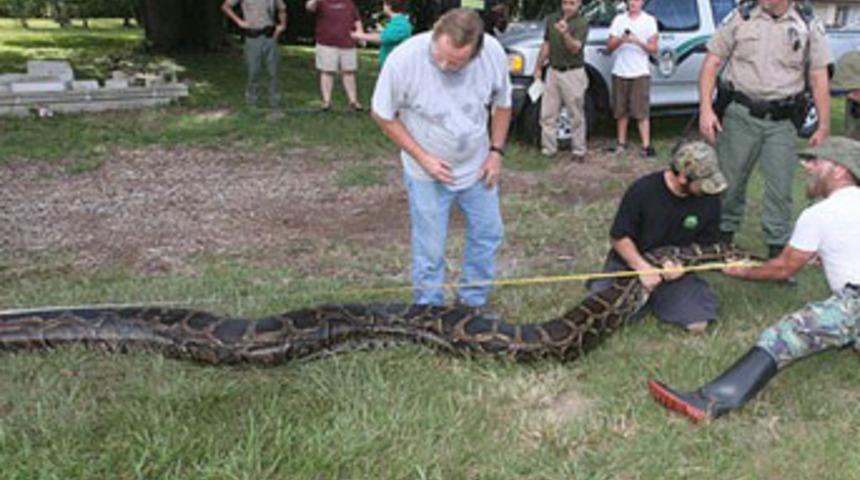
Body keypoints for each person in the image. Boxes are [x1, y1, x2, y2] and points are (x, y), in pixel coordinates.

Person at [649, 136, 860, 423]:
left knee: (786, 334)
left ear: (840, 170)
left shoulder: (820, 214)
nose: (806, 166)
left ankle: (710, 401)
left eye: (816, 161)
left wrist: (742, 271)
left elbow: (782, 269)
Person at [371, 8, 512, 309]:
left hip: (477, 167)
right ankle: (428, 311)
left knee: (488, 233)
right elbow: (383, 114)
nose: (445, 65)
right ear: (436, 36)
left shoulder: (493, 55)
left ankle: (472, 303)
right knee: (430, 248)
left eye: (457, 62)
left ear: (476, 52)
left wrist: (496, 152)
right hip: (427, 174)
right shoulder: (404, 60)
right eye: (441, 56)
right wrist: (423, 157)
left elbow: (502, 105)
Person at [698, 0, 831, 259]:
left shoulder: (807, 23)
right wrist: (706, 108)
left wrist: (823, 125)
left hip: (783, 120)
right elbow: (712, 62)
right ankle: (721, 240)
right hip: (741, 114)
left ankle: (777, 249)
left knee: (780, 188)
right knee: (730, 181)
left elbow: (818, 75)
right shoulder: (741, 16)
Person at [588, 141, 728, 332]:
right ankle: (624, 291)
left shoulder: (710, 200)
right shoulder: (643, 190)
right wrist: (643, 268)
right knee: (604, 317)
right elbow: (618, 237)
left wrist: (683, 268)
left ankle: (657, 299)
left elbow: (706, 246)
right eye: (702, 183)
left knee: (698, 323)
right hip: (630, 265)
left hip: (674, 270)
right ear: (682, 177)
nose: (707, 189)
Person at [533, 0, 590, 163]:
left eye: (572, 3)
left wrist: (565, 33)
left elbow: (575, 48)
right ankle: (548, 149)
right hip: (553, 70)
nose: (567, 7)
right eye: (565, 2)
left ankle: (579, 151)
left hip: (573, 72)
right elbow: (547, 44)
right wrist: (538, 66)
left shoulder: (582, 22)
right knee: (548, 113)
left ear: (579, 4)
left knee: (576, 113)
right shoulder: (552, 19)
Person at [605, 0, 658, 157]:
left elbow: (654, 48)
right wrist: (621, 39)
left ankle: (646, 146)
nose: (633, 3)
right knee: (620, 111)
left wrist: (637, 41)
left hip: (640, 72)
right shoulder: (619, 20)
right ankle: (621, 143)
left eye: (637, 0)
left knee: (641, 111)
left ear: (642, 2)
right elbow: (609, 46)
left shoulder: (649, 21)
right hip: (620, 71)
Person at [221, 0, 288, 116]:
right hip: (253, 37)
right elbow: (225, 6)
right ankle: (252, 104)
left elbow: (282, 8)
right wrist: (240, 22)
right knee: (253, 72)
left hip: (270, 37)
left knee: (273, 72)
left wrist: (282, 25)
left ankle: (275, 104)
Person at [306, 0, 364, 111]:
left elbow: (357, 20)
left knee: (349, 72)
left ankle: (353, 101)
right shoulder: (321, 2)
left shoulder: (349, 2)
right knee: (327, 71)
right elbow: (309, 7)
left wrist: (360, 34)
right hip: (326, 42)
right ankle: (327, 102)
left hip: (348, 42)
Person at [350, 0, 413, 69]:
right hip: (391, 66)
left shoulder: (401, 24)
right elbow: (389, 36)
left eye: (384, 3)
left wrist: (358, 35)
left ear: (389, 6)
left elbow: (382, 38)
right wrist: (381, 30)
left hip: (395, 68)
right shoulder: (397, 22)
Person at [831, 51, 860, 140]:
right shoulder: (853, 103)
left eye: (853, 91)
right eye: (843, 93)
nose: (849, 97)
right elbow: (852, 138)